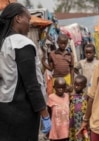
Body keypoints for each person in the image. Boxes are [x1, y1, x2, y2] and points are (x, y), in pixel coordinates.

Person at [0, 3, 51, 141]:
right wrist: (45, 114)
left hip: (4, 108)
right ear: (18, 19)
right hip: (22, 112)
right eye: (28, 20)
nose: (29, 24)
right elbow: (31, 85)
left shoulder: (3, 42)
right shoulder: (21, 43)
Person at [69, 75, 89, 141]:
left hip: (82, 122)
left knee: (84, 136)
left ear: (84, 86)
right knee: (74, 135)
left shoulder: (86, 96)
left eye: (79, 85)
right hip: (73, 121)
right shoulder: (71, 96)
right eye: (75, 84)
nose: (76, 87)